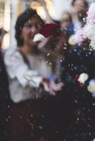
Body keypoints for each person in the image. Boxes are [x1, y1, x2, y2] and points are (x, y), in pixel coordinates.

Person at [4, 9, 64, 141]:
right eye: (28, 26)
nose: (34, 30)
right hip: (24, 115)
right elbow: (24, 75)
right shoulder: (14, 55)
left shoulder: (49, 55)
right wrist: (42, 81)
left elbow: (57, 77)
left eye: (38, 26)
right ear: (20, 32)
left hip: (47, 112)